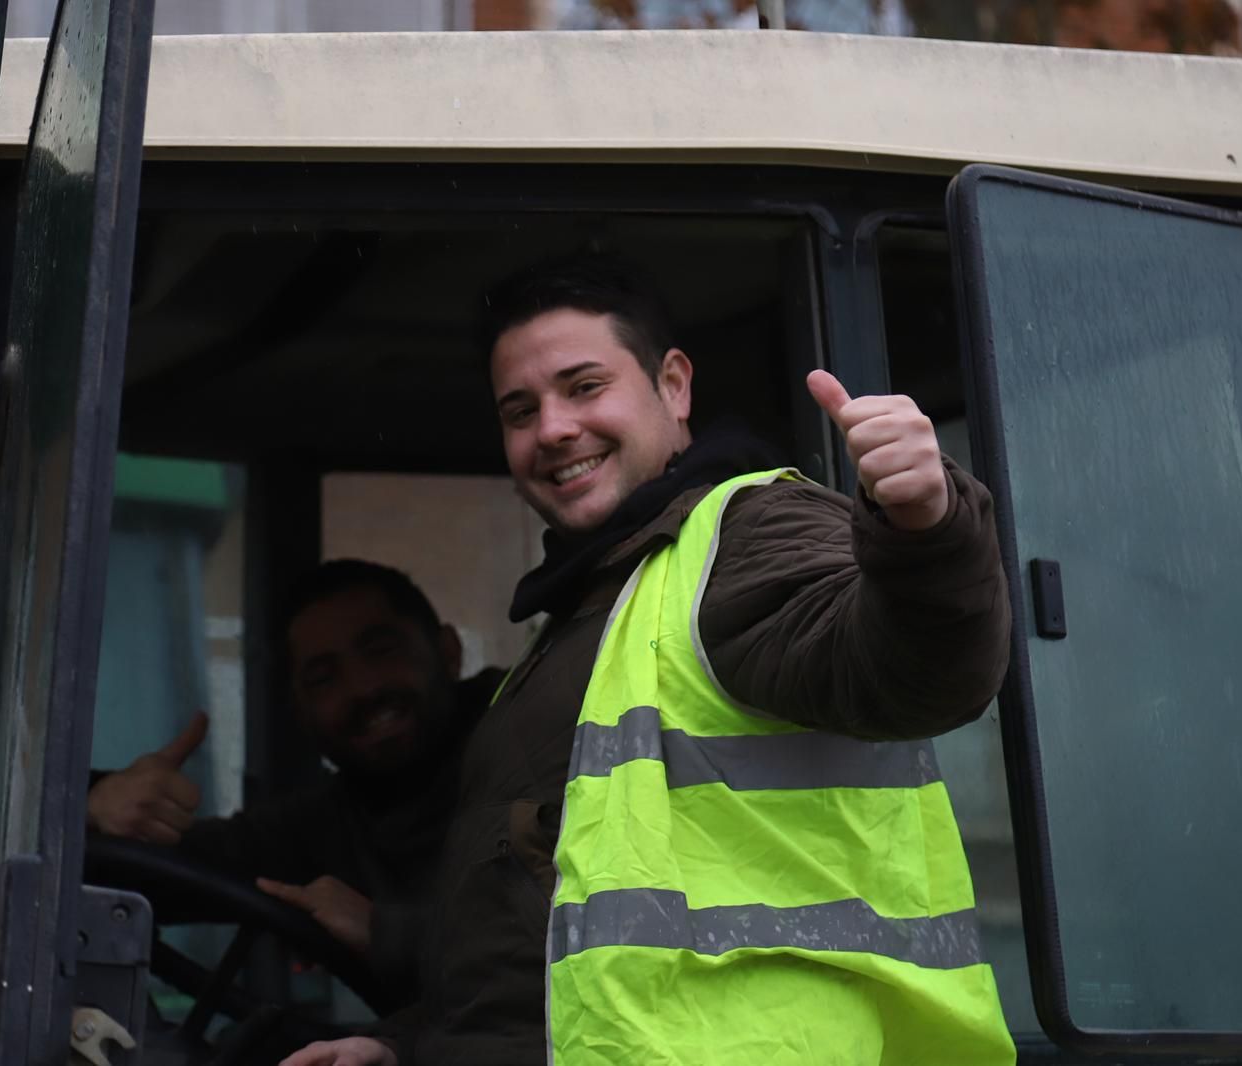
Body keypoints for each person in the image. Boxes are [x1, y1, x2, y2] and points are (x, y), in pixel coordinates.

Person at [285, 255, 1014, 1066]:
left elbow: (922, 674)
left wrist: (927, 528)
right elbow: (551, 939)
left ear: (673, 386)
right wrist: (403, 1044)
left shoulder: (744, 535)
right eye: (520, 409)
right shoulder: (593, 606)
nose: (553, 428)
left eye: (585, 387)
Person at [87, 559, 502, 1006]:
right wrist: (95, 808)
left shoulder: (535, 741)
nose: (361, 688)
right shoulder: (325, 824)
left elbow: (548, 946)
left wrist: (385, 932)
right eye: (324, 679)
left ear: (448, 652)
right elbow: (167, 879)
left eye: (381, 650)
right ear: (301, 714)